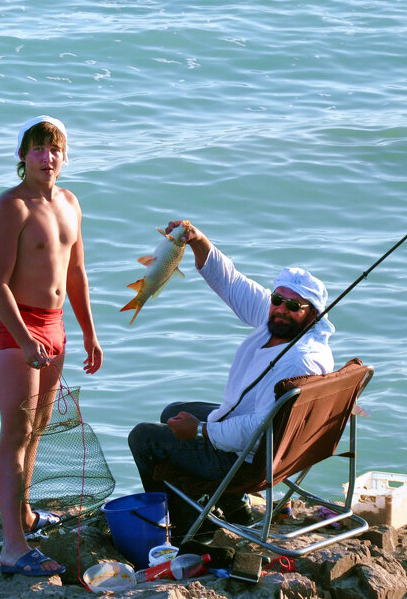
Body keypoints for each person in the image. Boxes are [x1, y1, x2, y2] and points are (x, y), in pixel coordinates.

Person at [128, 219, 335, 537]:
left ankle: (192, 532)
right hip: (271, 446)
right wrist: (197, 240)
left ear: (313, 313)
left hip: (250, 460)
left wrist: (200, 431)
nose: (280, 309)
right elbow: (233, 283)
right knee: (173, 412)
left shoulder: (300, 361)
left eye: (293, 305)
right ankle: (235, 507)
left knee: (144, 437)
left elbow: (254, 430)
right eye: (277, 300)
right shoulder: (280, 326)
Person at [0, 115, 103, 577]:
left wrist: (90, 332)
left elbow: (76, 275)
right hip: (18, 328)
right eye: (37, 148)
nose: (47, 157)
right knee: (15, 432)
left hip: (55, 327)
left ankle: (27, 515)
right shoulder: (10, 207)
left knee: (40, 426)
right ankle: (12, 546)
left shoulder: (71, 203)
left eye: (54, 149)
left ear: (64, 155)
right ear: (22, 156)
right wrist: (22, 336)